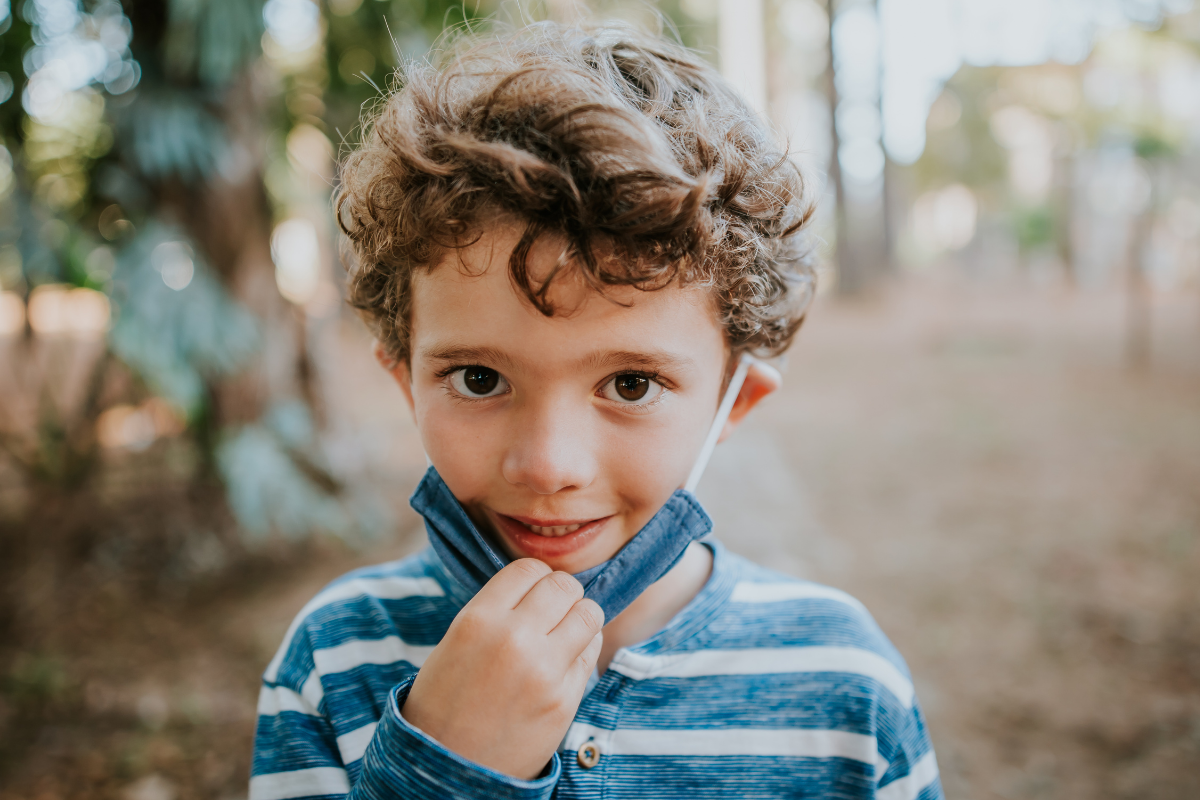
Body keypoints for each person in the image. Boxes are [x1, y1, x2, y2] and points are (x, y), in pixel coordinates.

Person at [250, 19, 941, 800]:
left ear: (732, 401)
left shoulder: (841, 684)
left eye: (632, 384)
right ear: (407, 382)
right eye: (478, 379)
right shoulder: (334, 662)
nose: (547, 465)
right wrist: (442, 767)